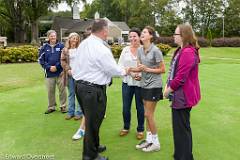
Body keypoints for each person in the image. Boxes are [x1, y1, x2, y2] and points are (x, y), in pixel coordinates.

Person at [72, 19, 127, 160]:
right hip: (92, 90)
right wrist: (126, 71)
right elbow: (113, 70)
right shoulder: (100, 48)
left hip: (80, 87)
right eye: (107, 29)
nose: (108, 31)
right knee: (93, 123)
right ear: (103, 30)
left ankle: (94, 146)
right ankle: (90, 156)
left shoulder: (84, 44)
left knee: (92, 121)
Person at [163, 24, 201, 160]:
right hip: (179, 96)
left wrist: (168, 91)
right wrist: (167, 84)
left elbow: (180, 78)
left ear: (183, 36)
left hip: (183, 97)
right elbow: (172, 72)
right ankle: (180, 155)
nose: (173, 36)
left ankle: (184, 157)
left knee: (182, 130)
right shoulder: (181, 50)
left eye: (176, 34)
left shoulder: (187, 52)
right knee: (180, 129)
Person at [130, 26, 166, 152]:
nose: (142, 34)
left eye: (145, 32)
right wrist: (132, 72)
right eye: (142, 32)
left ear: (151, 36)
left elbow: (162, 69)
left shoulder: (156, 51)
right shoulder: (140, 50)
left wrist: (148, 69)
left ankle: (156, 143)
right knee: (148, 115)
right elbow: (140, 67)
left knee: (148, 114)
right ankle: (149, 140)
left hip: (154, 86)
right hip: (144, 85)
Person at [118, 27, 145, 140]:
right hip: (127, 83)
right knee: (125, 107)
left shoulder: (144, 49)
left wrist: (140, 75)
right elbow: (120, 66)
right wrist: (132, 74)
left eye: (135, 36)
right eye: (130, 36)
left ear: (139, 37)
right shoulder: (125, 50)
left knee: (140, 108)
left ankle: (140, 129)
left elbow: (148, 66)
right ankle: (126, 127)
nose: (132, 38)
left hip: (140, 84)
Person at [38, 30, 67, 114]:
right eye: (51, 36)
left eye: (54, 36)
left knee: (62, 90)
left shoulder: (61, 46)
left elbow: (64, 58)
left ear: (56, 36)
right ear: (48, 37)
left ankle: (63, 106)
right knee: (50, 91)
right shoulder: (44, 47)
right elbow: (40, 60)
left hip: (60, 72)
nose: (53, 37)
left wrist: (57, 66)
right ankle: (51, 107)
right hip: (49, 73)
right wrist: (49, 67)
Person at [71, 26, 92, 141]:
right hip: (86, 82)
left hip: (99, 83)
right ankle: (82, 129)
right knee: (87, 108)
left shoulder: (101, 46)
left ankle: (87, 132)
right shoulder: (82, 48)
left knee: (95, 110)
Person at [61, 32, 83, 120]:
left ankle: (79, 113)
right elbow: (62, 61)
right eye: (73, 38)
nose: (75, 40)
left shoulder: (81, 49)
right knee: (71, 94)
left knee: (79, 94)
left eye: (76, 38)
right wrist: (68, 69)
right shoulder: (65, 50)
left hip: (79, 75)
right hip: (69, 75)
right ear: (69, 39)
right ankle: (71, 112)